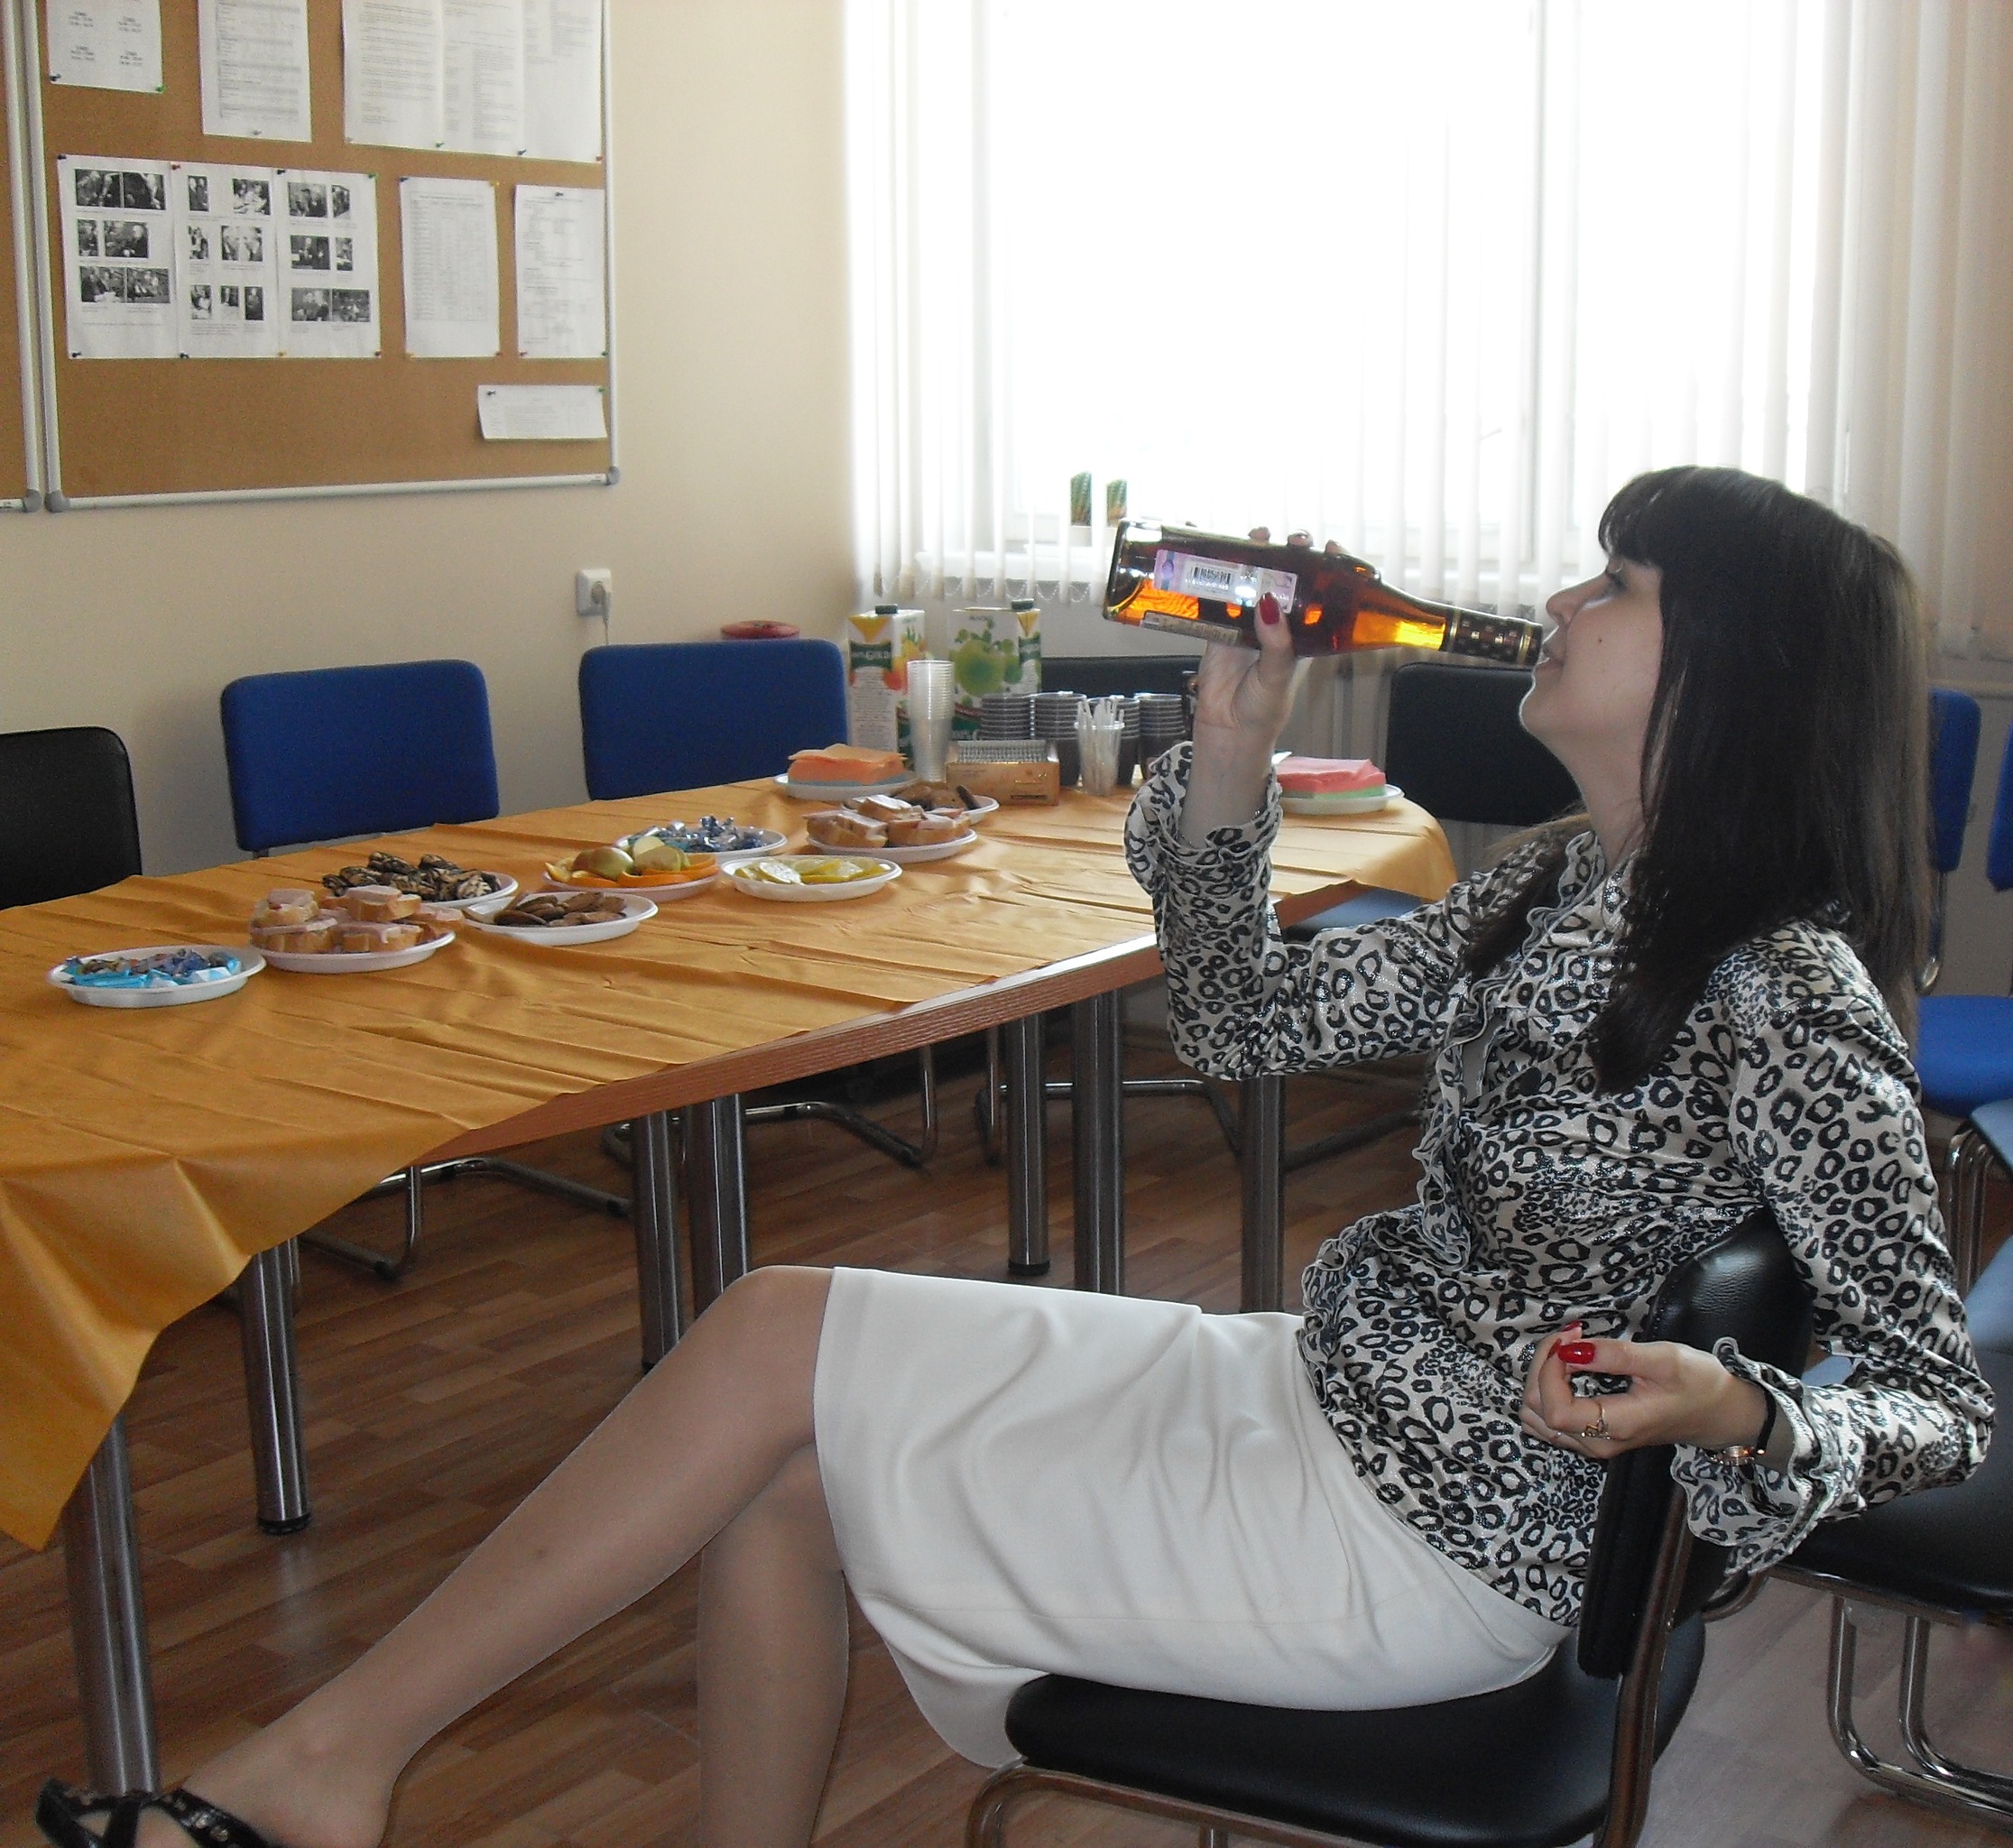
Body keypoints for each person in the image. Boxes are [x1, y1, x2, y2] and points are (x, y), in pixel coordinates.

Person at [40, 467, 1992, 1848]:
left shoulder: (1786, 987)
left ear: (1731, 671)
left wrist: (1742, 1405)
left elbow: (1935, 1403)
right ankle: (334, 1767)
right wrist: (1232, 763)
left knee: (783, 1384)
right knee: (779, 1387)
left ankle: (327, 1768)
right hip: (1333, 1396)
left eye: (1617, 583)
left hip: (1432, 1538)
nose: (1561, 602)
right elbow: (1241, 1024)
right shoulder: (1558, 885)